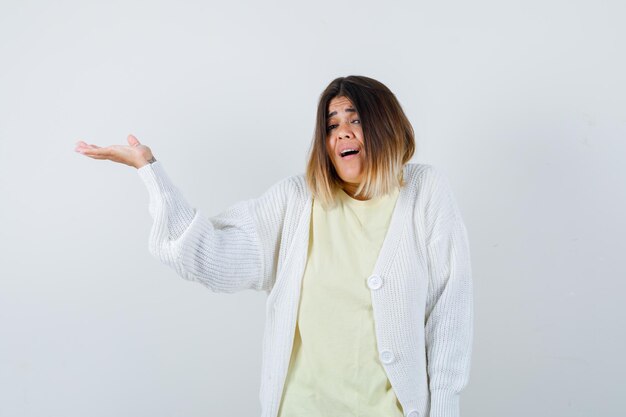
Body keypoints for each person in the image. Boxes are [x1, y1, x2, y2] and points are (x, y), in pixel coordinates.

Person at [74, 75, 473, 417]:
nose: (343, 133)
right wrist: (151, 171)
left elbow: (449, 315)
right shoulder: (296, 200)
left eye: (356, 120)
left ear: (388, 127)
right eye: (332, 126)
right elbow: (212, 257)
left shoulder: (425, 192)